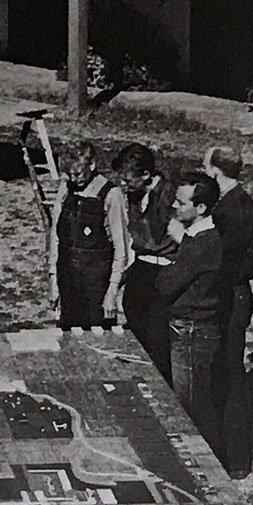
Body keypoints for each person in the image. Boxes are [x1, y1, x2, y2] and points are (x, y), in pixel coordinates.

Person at [152, 173, 225, 450]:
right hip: (191, 328)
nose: (174, 206)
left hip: (192, 331)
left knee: (191, 406)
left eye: (182, 203)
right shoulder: (198, 239)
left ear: (201, 208)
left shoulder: (200, 244)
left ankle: (209, 464)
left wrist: (164, 270)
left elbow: (166, 284)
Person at [205, 145, 253, 474]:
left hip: (230, 297)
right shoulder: (238, 203)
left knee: (229, 377)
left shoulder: (232, 210)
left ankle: (237, 458)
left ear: (216, 171)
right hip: (234, 294)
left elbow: (226, 261)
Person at [49, 140, 127, 329]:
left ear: (91, 165)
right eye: (68, 174)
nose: (73, 179)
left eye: (76, 173)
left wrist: (112, 292)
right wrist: (53, 278)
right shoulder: (66, 188)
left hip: (96, 283)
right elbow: (56, 236)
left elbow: (121, 248)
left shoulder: (111, 194)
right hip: (68, 277)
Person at [110, 143, 173, 373]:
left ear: (146, 174)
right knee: (134, 325)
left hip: (164, 270)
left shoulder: (169, 195)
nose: (123, 186)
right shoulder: (136, 195)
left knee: (158, 337)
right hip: (142, 266)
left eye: (128, 180)